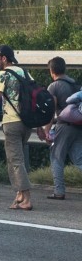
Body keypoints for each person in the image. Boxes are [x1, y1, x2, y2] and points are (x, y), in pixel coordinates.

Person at [0, 45, 33, 210]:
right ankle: (19, 195)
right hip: (27, 122)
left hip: (12, 122)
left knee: (15, 161)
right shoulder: (24, 72)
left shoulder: (2, 75)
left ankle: (27, 199)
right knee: (18, 160)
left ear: (4, 58)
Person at [43, 56, 82, 200]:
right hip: (78, 126)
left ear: (52, 70)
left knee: (56, 157)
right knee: (79, 159)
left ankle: (59, 191)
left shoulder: (54, 86)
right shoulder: (75, 84)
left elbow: (51, 110)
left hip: (64, 126)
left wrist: (47, 130)